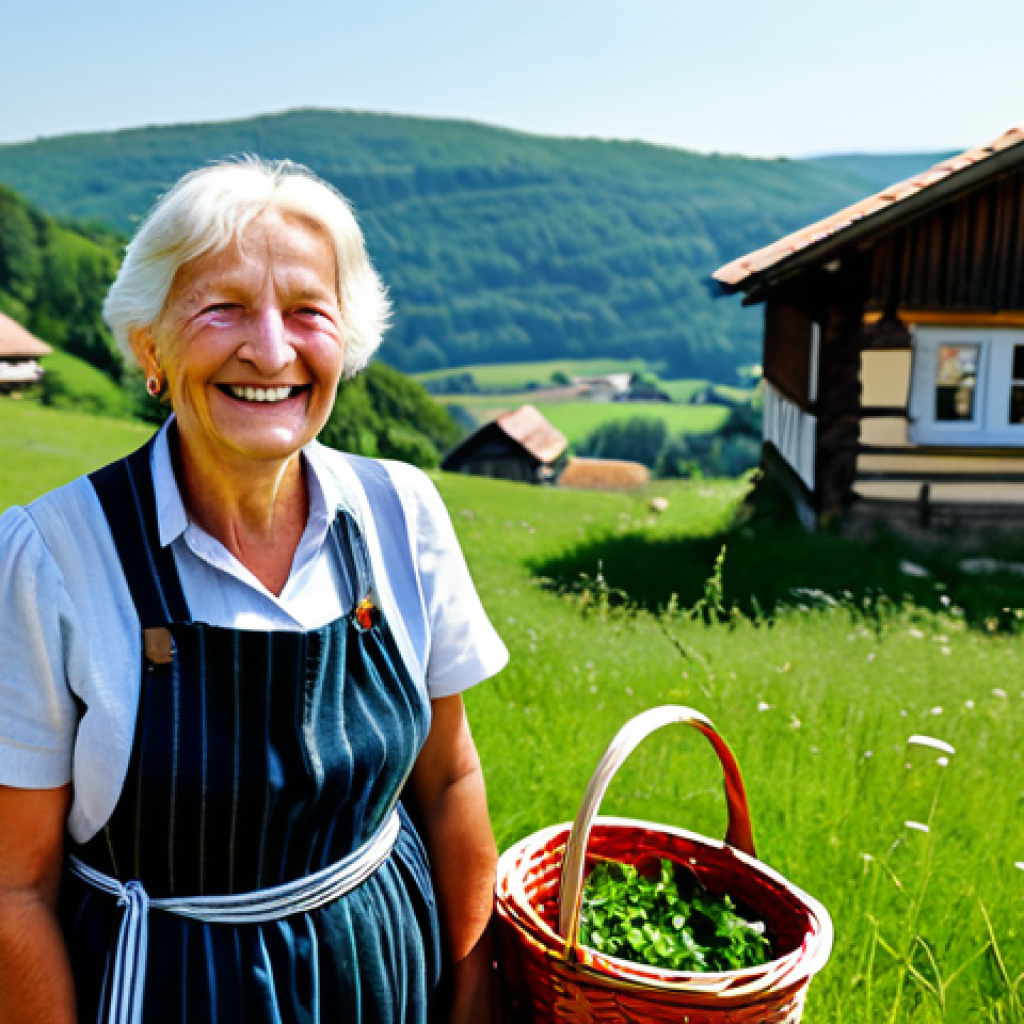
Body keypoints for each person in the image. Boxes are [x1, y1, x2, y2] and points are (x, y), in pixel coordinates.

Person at [0, 158, 508, 1024]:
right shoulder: (54, 555)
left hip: (390, 984)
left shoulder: (401, 511)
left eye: (308, 310)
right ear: (149, 346)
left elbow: (452, 779)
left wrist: (473, 999)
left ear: (345, 340)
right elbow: (16, 887)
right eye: (222, 307)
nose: (271, 351)